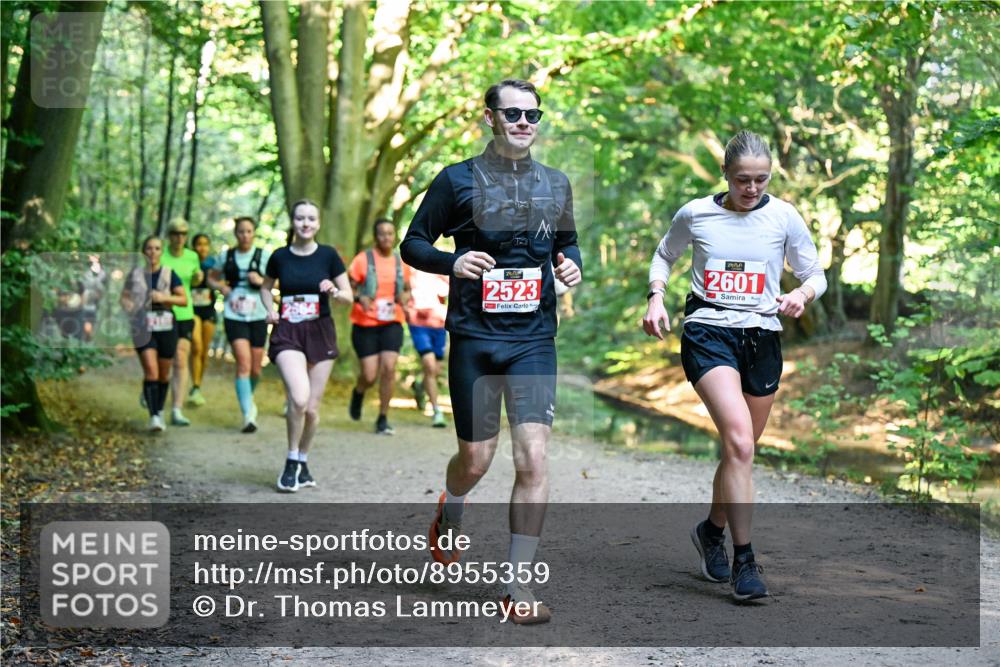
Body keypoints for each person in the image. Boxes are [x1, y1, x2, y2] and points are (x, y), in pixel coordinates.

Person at [401, 79, 582, 624]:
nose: (525, 122)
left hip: (532, 341)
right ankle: (449, 511)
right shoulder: (456, 180)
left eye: (533, 114)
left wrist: (570, 263)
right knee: (476, 460)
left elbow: (566, 241)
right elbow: (414, 242)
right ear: (490, 118)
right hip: (476, 339)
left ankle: (517, 588)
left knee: (532, 459)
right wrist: (450, 263)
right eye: (513, 113)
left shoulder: (556, 183)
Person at [641, 130, 827, 602]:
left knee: (739, 452)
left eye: (761, 180)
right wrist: (656, 297)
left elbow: (814, 273)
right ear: (725, 174)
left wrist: (801, 294)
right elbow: (665, 255)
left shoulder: (784, 216)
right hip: (708, 331)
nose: (752, 189)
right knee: (740, 441)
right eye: (743, 179)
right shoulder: (696, 213)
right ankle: (745, 561)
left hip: (762, 335)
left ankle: (711, 531)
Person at [261, 199, 352, 492]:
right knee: (299, 399)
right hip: (288, 332)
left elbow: (348, 296)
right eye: (300, 218)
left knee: (312, 409)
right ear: (293, 221)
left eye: (311, 218)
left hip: (320, 332)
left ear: (318, 223)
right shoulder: (279, 256)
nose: (305, 223)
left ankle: (302, 458)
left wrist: (334, 291)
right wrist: (270, 309)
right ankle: (290, 459)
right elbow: (265, 287)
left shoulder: (328, 256)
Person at [347, 219, 412, 435]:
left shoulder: (400, 262)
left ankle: (383, 417)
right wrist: (359, 298)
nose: (386, 237)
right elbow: (347, 287)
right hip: (365, 323)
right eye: (382, 234)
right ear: (376, 236)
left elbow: (407, 289)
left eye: (390, 233)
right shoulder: (363, 260)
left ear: (395, 236)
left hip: (392, 322)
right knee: (369, 375)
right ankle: (359, 392)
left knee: (389, 368)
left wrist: (405, 296)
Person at [207, 217, 271, 432]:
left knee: (255, 367)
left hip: (259, 314)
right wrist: (220, 287)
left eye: (249, 231)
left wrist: (261, 281)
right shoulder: (226, 256)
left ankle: (249, 397)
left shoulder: (264, 256)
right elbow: (212, 278)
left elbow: (277, 282)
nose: (245, 235)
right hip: (234, 314)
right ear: (236, 234)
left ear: (254, 233)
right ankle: (248, 415)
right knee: (243, 363)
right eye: (241, 231)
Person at [120, 236, 187, 431]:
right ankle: (154, 416)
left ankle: (158, 406)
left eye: (157, 249)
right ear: (143, 251)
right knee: (151, 370)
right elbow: (124, 297)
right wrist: (129, 305)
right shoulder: (135, 274)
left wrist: (164, 297)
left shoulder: (169, 274)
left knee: (163, 374)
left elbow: (184, 300)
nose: (152, 252)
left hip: (166, 327)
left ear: (161, 252)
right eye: (149, 248)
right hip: (142, 326)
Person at [159, 218, 203, 426]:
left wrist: (198, 278)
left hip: (185, 313)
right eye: (176, 233)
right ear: (169, 235)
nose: (180, 238)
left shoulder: (192, 257)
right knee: (162, 359)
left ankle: (177, 408)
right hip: (161, 312)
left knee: (180, 359)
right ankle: (152, 391)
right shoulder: (161, 255)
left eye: (184, 234)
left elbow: (194, 282)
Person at [405, 265, 450, 428]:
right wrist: (405, 308)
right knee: (430, 366)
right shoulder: (410, 270)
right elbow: (401, 289)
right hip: (418, 324)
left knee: (435, 370)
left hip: (439, 324)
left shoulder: (441, 269)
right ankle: (437, 412)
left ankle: (419, 386)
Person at [188, 233, 217, 407]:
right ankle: (195, 386)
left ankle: (197, 384)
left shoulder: (213, 264)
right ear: (193, 246)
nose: (202, 248)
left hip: (209, 310)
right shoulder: (189, 262)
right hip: (192, 310)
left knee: (204, 351)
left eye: (205, 244)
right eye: (199, 244)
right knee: (196, 346)